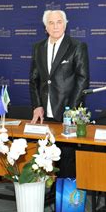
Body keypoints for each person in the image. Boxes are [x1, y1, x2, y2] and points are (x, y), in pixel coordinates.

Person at [29, 10, 89, 177]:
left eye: (59, 22)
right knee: (44, 159)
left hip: (67, 113)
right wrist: (37, 105)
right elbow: (34, 79)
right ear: (45, 27)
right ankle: (47, 194)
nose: (55, 26)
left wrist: (71, 111)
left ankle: (65, 200)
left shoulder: (77, 46)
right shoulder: (38, 48)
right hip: (44, 115)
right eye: (51, 23)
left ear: (65, 24)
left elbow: (82, 80)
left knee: (66, 160)